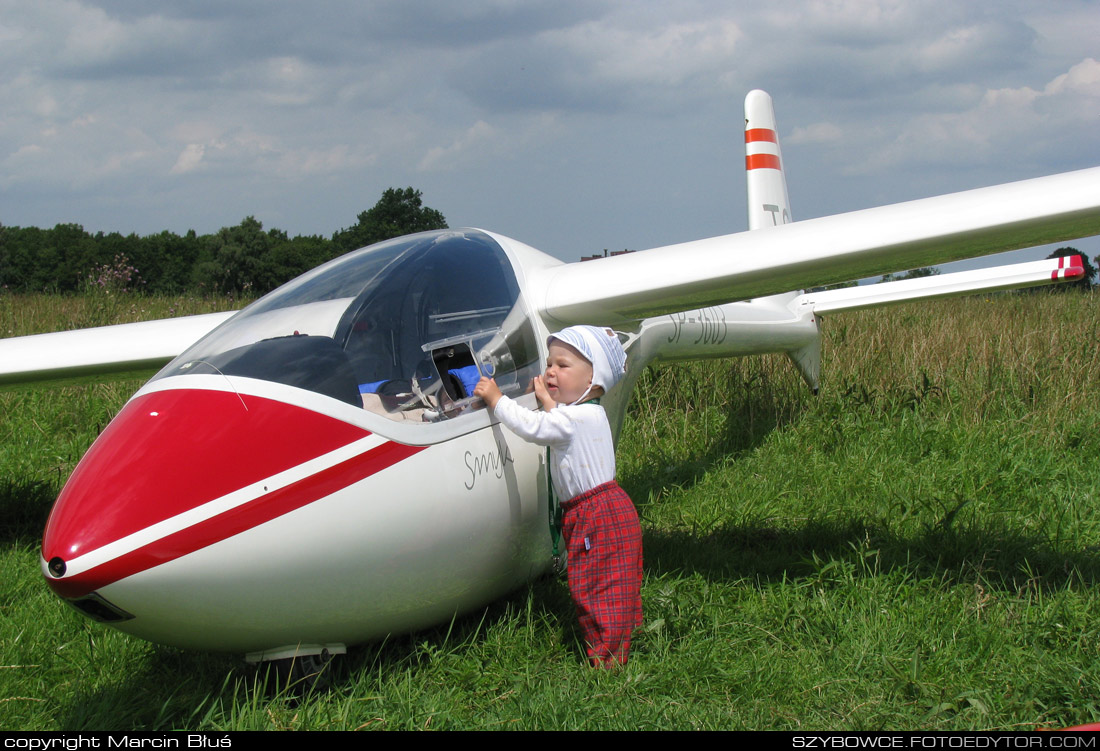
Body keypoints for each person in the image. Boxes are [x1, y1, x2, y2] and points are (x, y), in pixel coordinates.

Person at [474, 325, 643, 667]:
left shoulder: (574, 418)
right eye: (549, 363)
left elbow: (535, 428)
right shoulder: (590, 414)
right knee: (614, 580)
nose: (550, 371)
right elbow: (562, 425)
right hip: (609, 508)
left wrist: (497, 400)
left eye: (563, 366)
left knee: (595, 585)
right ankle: (621, 643)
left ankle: (608, 660)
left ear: (593, 380)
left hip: (595, 514)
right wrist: (551, 401)